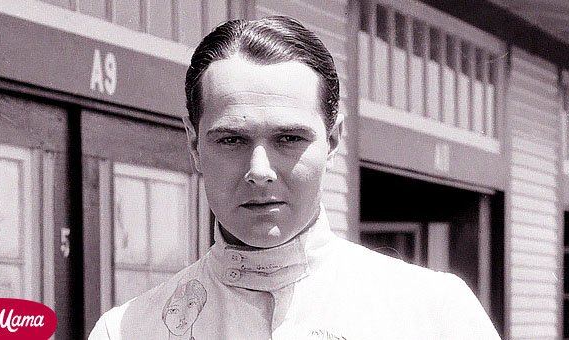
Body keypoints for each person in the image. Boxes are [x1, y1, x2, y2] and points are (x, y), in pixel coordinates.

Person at [89, 16, 501, 339]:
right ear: (195, 144)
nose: (259, 171)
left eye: (289, 138)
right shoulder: (129, 329)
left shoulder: (433, 315)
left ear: (334, 139)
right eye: (232, 139)